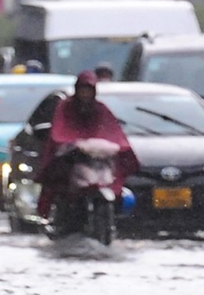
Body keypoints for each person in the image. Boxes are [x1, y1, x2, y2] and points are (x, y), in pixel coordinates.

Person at [36, 71, 137, 224]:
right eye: (82, 90)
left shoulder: (101, 109)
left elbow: (112, 131)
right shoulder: (65, 107)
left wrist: (118, 146)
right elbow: (60, 131)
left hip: (96, 160)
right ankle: (59, 213)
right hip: (72, 157)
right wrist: (72, 143)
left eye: (88, 90)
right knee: (58, 178)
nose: (85, 94)